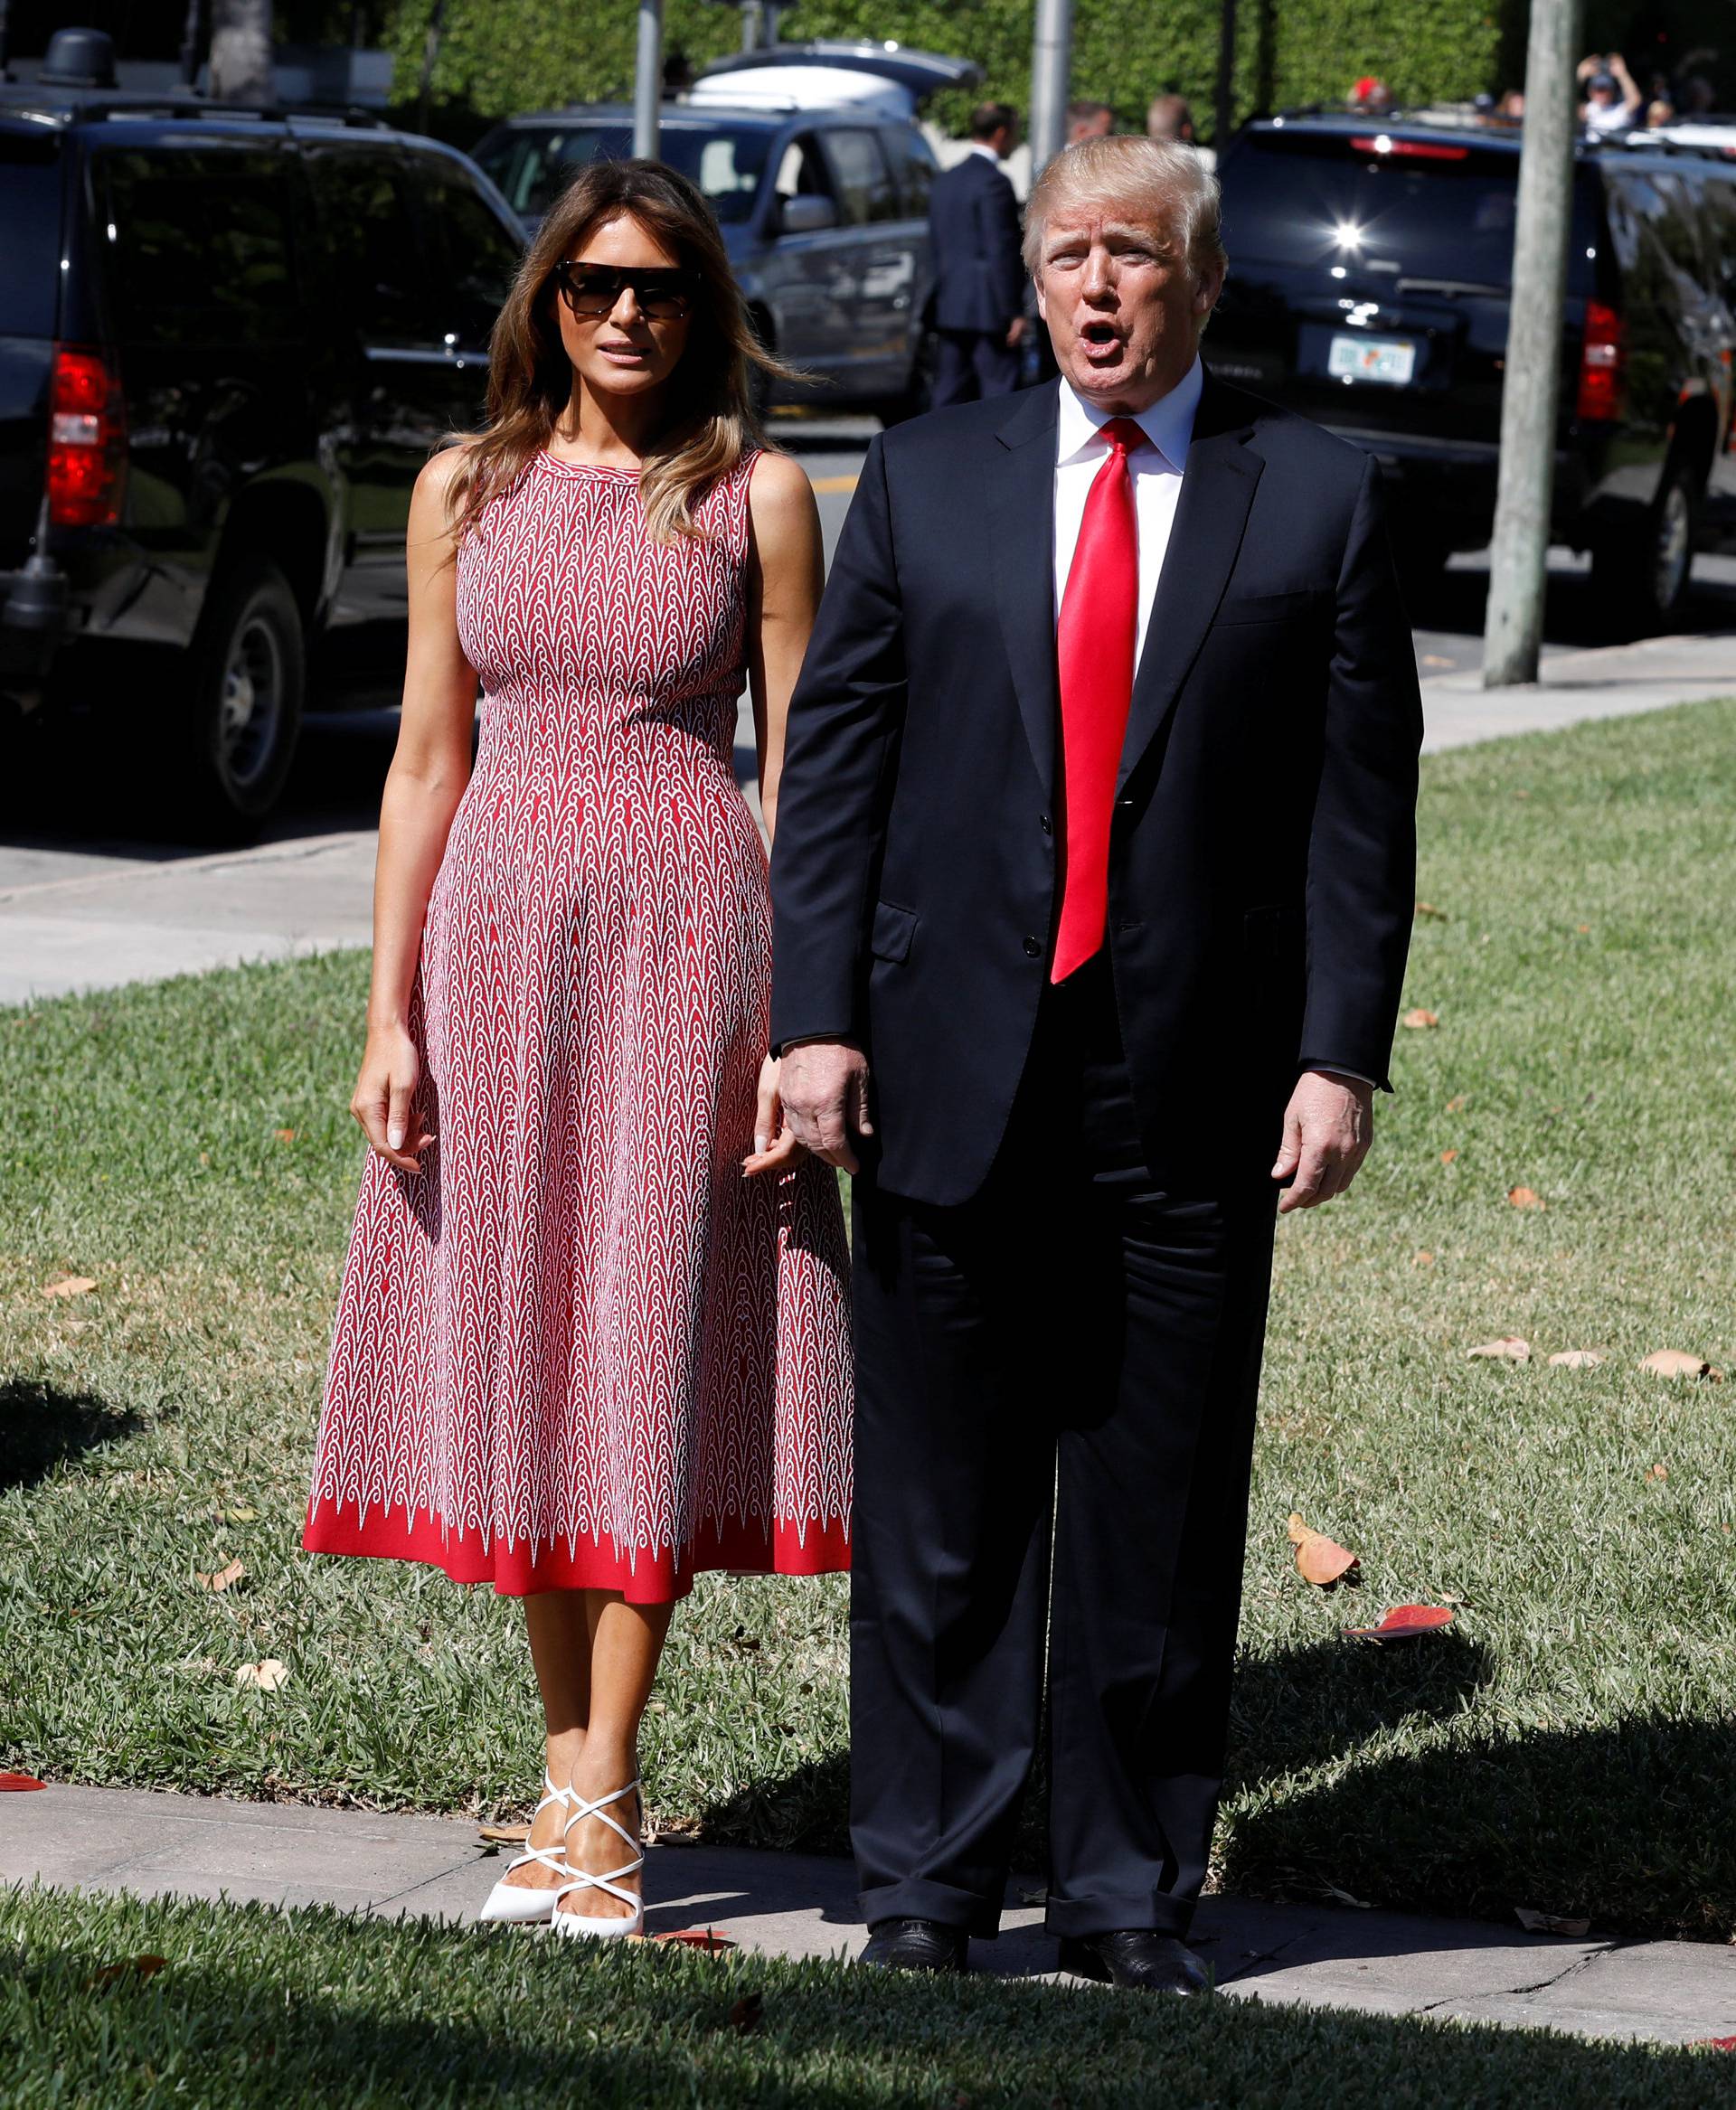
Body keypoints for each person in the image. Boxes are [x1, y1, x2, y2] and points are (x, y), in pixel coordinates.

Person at [769, 134, 1420, 1992]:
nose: (1103, 292)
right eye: (1071, 258)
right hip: (944, 1067)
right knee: (945, 1510)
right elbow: (838, 786)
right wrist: (813, 1020)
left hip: (1190, 1086)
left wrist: (1337, 1054)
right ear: (1031, 281)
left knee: (1156, 1503)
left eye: (1138, 259)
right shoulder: (922, 480)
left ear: (1205, 284)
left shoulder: (1311, 497)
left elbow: (1357, 817)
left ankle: (1130, 1889)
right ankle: (930, 1882)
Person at [302, 158, 853, 1940]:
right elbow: (421, 762)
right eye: (595, 284)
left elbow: (806, 780)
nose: (628, 312)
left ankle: (599, 1805)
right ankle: (574, 1794)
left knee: (646, 1350)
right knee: (536, 1350)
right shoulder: (464, 489)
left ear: (706, 310)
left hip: (691, 959)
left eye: (665, 287)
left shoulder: (758, 493)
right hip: (492, 952)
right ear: (546, 302)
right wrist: (386, 1008)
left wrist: (802, 1019)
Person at [927, 101, 1028, 407]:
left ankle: (933, 450)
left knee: (948, 392)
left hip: (950, 305)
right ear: (1001, 133)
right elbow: (1001, 249)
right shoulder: (994, 183)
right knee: (1000, 395)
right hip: (989, 309)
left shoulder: (945, 180)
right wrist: (1013, 310)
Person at [1579, 53, 1643, 133]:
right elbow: (1566, 105)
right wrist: (1580, 74)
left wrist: (1622, 74)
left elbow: (1635, 100)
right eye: (1598, 89)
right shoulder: (1588, 110)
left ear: (1612, 91)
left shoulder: (1620, 110)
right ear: (1590, 92)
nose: (1602, 93)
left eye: (1605, 89)